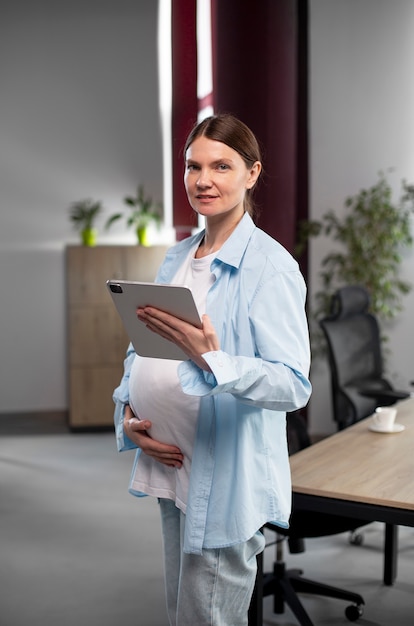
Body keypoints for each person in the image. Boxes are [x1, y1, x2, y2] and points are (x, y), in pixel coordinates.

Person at [112, 113, 312, 626]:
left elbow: (293, 383)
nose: (203, 180)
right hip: (172, 463)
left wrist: (213, 361)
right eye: (192, 166)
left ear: (252, 173)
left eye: (222, 166)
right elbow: (144, 350)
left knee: (209, 619)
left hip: (223, 481)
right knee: (186, 613)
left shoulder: (271, 267)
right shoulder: (178, 256)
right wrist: (129, 416)